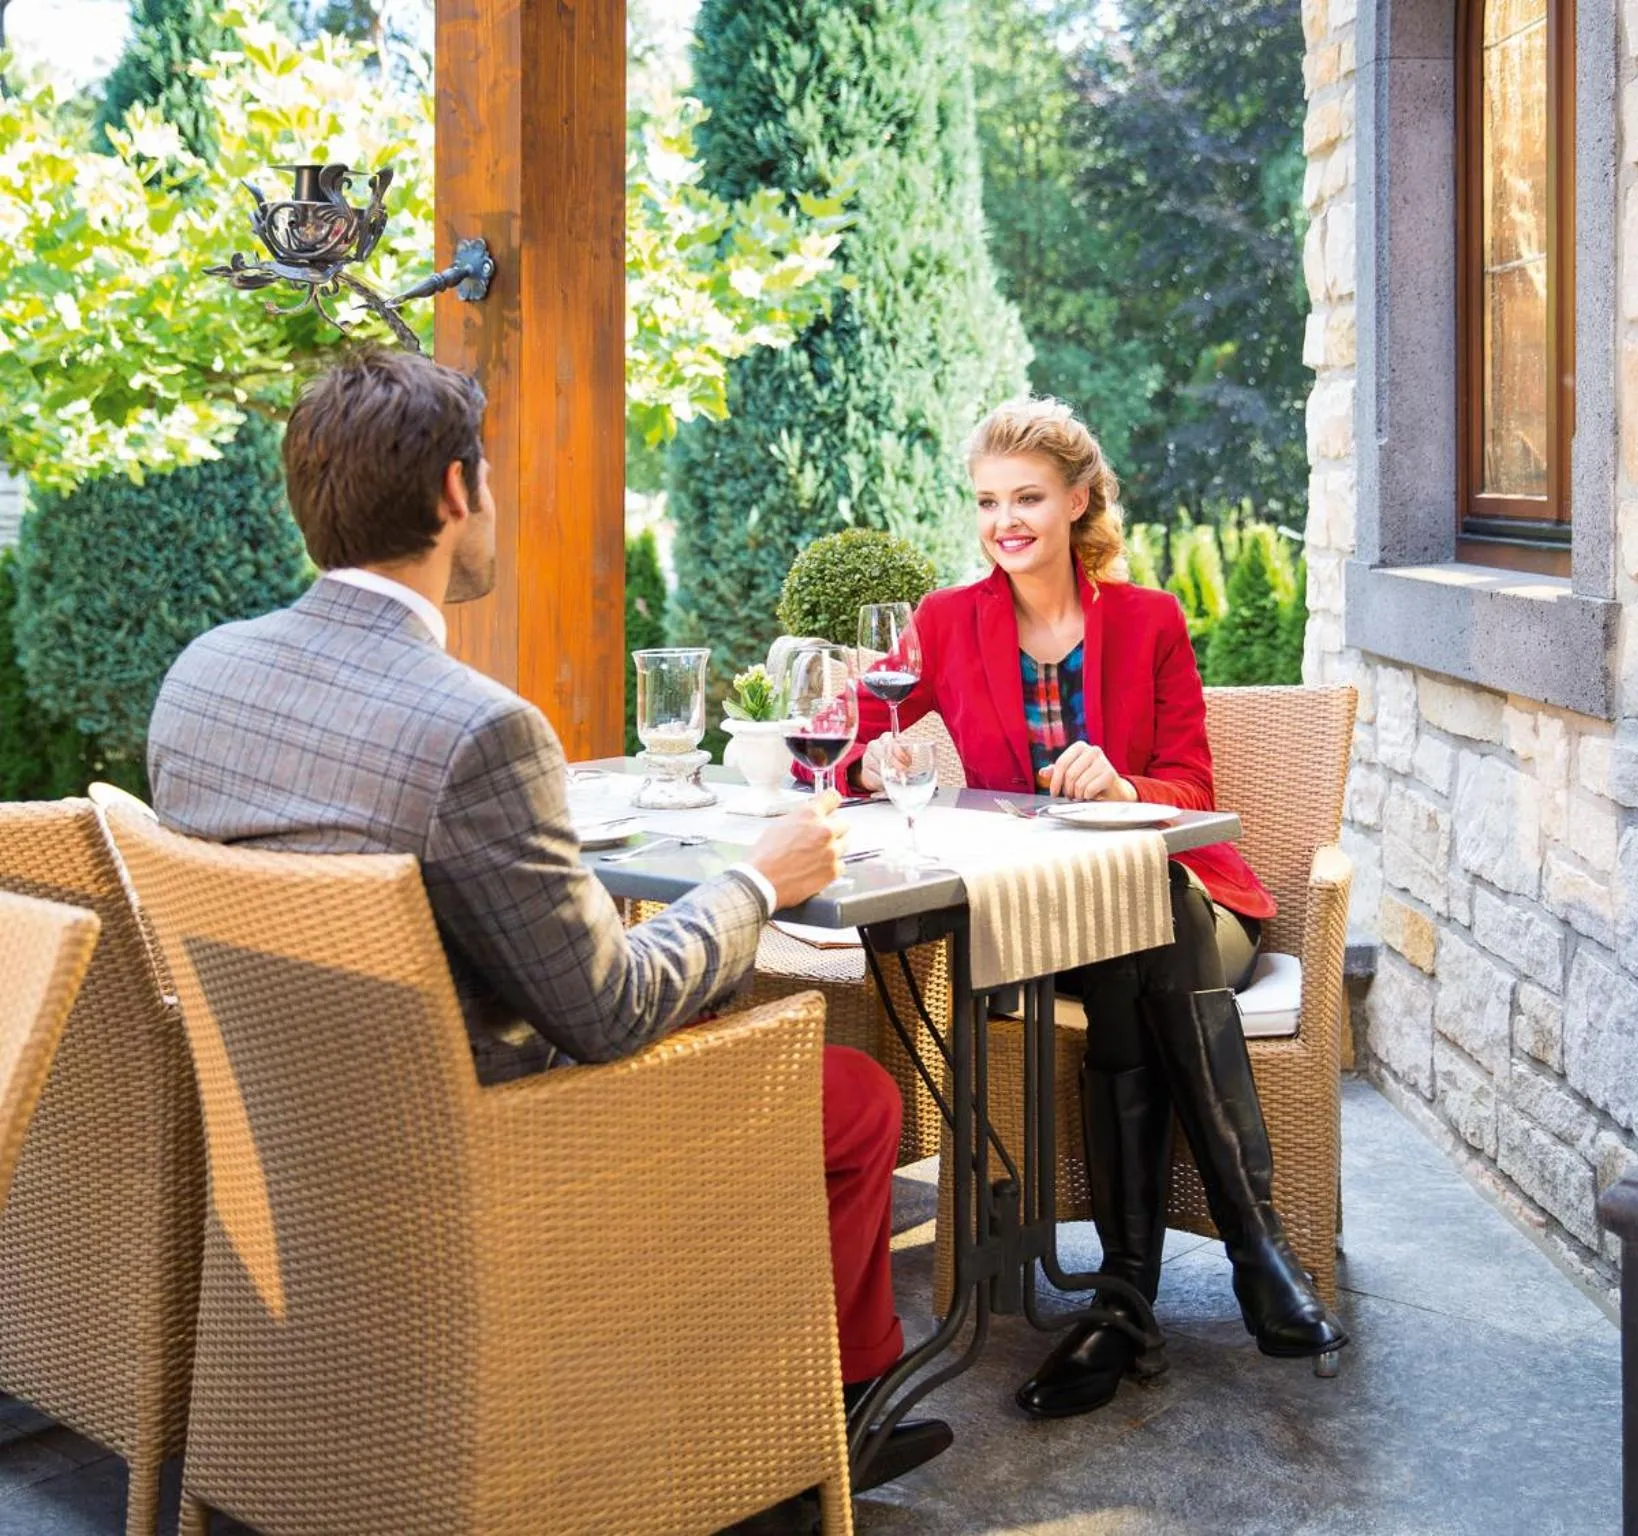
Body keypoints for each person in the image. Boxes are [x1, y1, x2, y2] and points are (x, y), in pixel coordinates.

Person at [146, 347, 949, 1493]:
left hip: (284, 1129)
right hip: (485, 1154)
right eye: (492, 475)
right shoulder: (478, 730)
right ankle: (818, 1420)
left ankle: (689, 1359)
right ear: (455, 493)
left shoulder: (203, 675)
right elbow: (609, 1014)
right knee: (854, 1101)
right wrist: (758, 884)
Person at [853, 397, 1347, 1420]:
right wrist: (880, 753)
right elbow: (860, 743)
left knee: (1149, 905)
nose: (1005, 521)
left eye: (1027, 496)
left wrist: (1123, 788)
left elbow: (1190, 786)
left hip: (1193, 909)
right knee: (1131, 939)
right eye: (988, 501)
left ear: (1077, 501)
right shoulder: (946, 621)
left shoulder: (1146, 620)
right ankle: (1254, 1248)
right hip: (1041, 923)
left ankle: (1124, 1303)